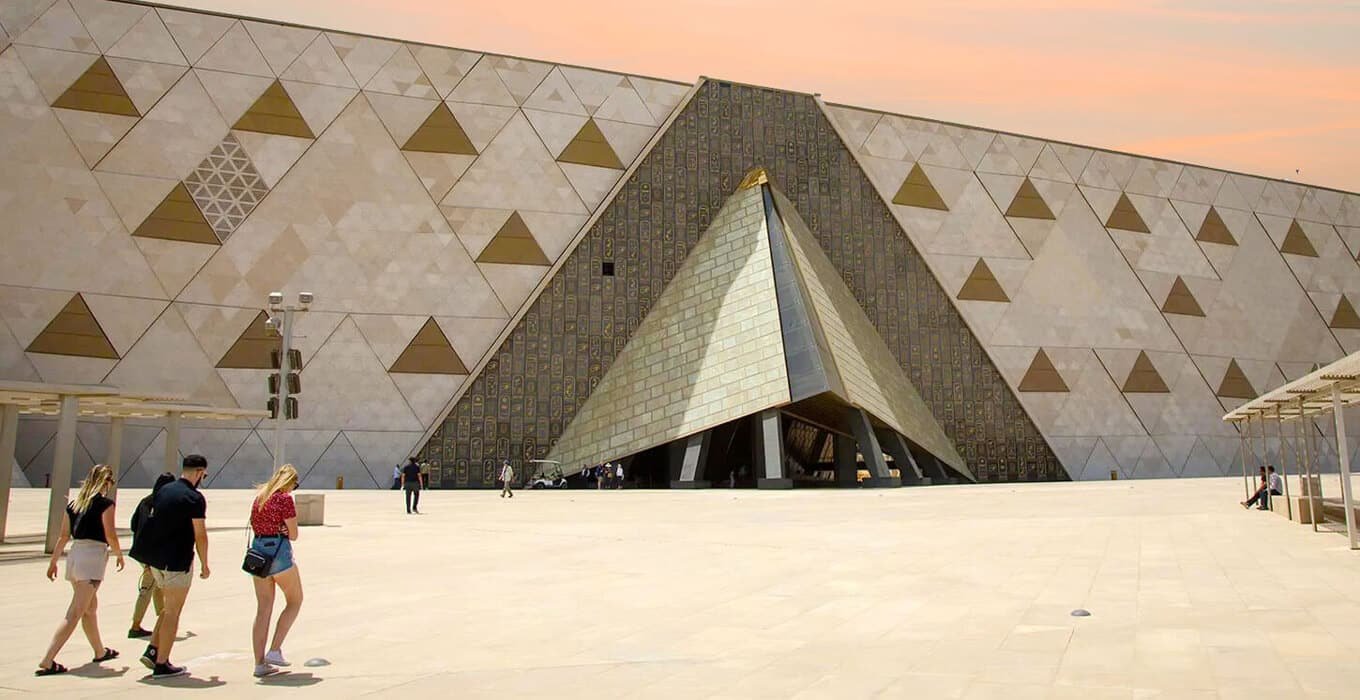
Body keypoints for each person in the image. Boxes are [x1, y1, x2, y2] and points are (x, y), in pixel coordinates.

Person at [35, 464, 125, 676]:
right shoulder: (105, 505)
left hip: (75, 556)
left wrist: (54, 561)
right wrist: (119, 553)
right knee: (75, 611)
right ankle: (48, 659)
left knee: (90, 608)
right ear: (106, 482)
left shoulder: (75, 504)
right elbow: (110, 533)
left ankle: (99, 650)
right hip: (92, 558)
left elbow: (64, 535)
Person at [128, 454, 211, 680]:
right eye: (203, 474)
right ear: (199, 472)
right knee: (174, 611)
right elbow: (200, 535)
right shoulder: (194, 498)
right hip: (177, 561)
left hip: (156, 560)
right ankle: (162, 663)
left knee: (167, 609)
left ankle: (153, 650)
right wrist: (205, 563)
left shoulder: (164, 490)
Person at [247, 464, 304, 678]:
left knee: (263, 609)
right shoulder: (284, 499)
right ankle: (275, 649)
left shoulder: (260, 497)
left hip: (258, 552)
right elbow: (294, 533)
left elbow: (256, 524)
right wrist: (282, 529)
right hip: (278, 552)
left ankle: (259, 663)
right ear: (289, 481)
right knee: (294, 600)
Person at [128, 472, 176, 639]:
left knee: (158, 587)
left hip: (141, 550)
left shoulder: (145, 501)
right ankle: (135, 625)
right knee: (148, 588)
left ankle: (161, 620)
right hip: (153, 553)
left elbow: (133, 524)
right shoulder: (163, 503)